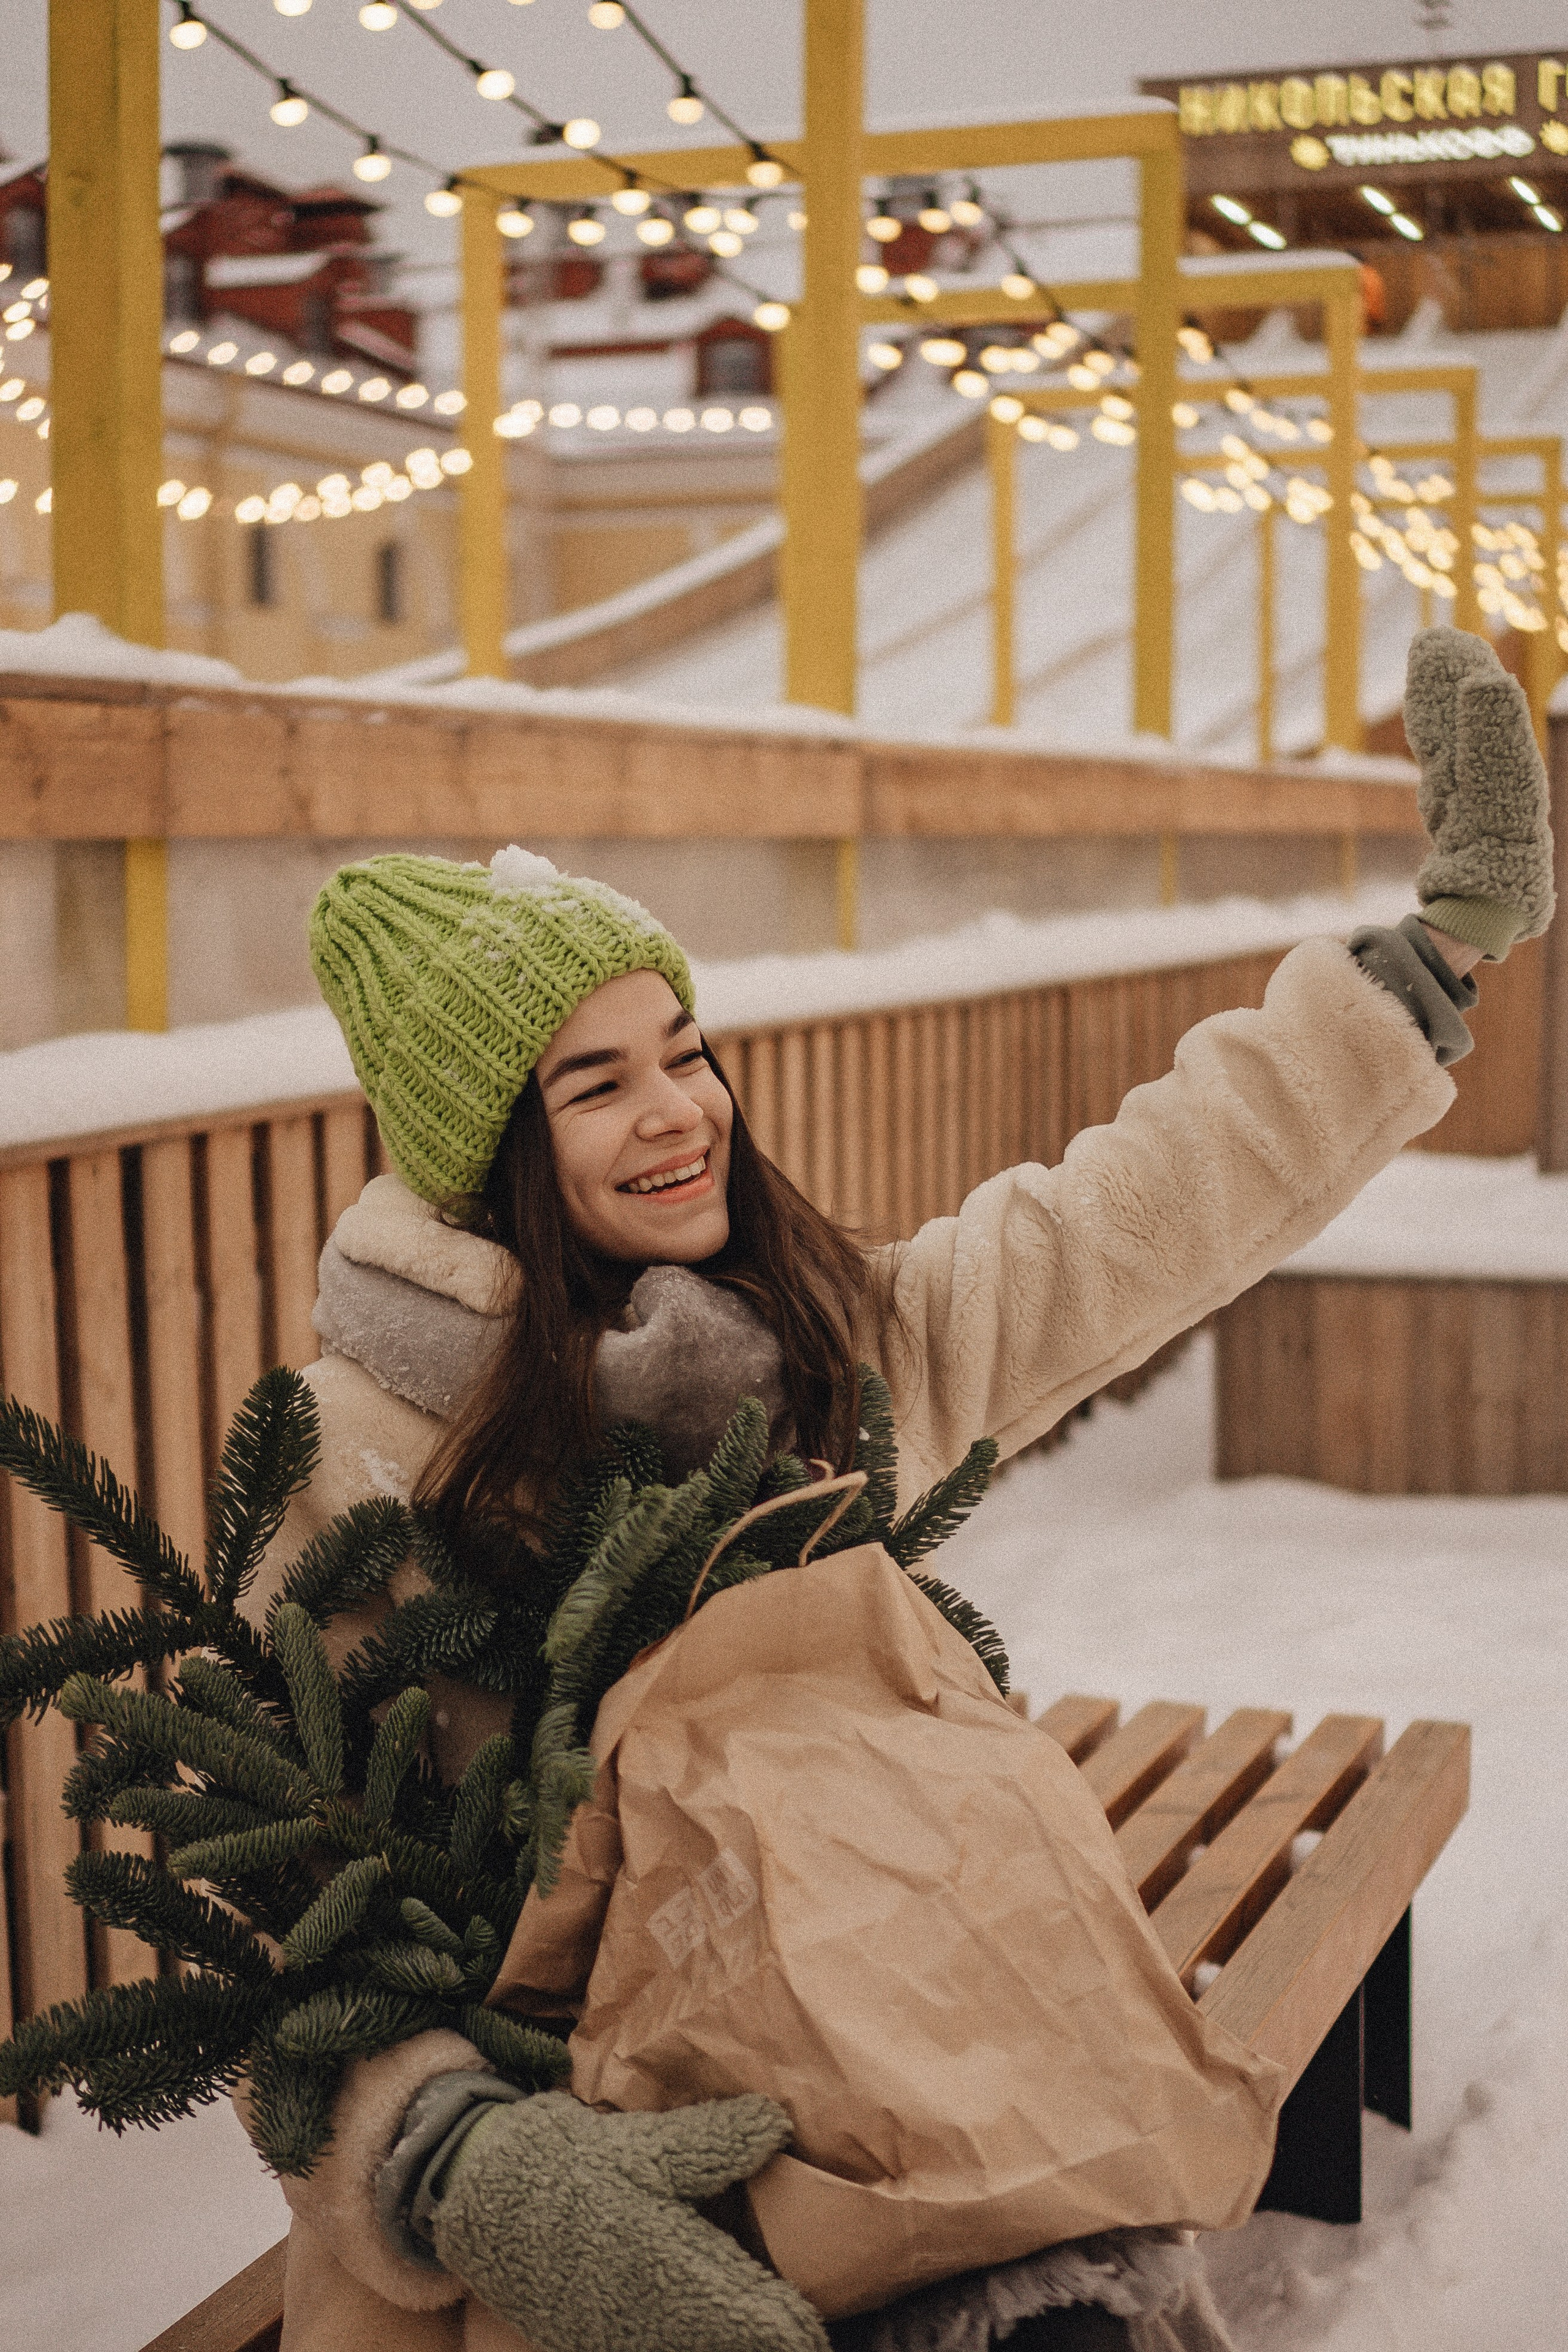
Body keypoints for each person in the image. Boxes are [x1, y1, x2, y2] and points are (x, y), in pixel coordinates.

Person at [243, 630, 1551, 2352]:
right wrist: (457, 2159)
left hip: (885, 2078)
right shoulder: (357, 1451)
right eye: (596, 1083)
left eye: (686, 1051)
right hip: (598, 2172)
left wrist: (1436, 953)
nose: (679, 1112)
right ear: (490, 1151)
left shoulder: (803, 1351)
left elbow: (1138, 1207)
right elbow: (271, 1893)